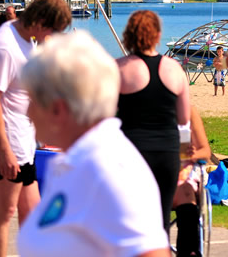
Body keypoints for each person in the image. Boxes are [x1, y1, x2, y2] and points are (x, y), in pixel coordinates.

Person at [17, 31, 169, 257]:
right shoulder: (76, 162)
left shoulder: (109, 169)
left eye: (33, 101)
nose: (27, 112)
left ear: (58, 109)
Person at [0, 0, 71, 257]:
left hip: (25, 143)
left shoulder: (20, 34)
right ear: (40, 21)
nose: (51, 36)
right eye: (51, 29)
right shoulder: (5, 47)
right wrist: (3, 149)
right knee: (3, 216)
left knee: (33, 215)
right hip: (9, 144)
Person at [116, 10, 190, 232]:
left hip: (130, 153)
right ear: (157, 35)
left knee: (128, 222)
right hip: (166, 154)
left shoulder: (118, 68)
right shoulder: (174, 69)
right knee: (160, 223)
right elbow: (184, 119)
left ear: (128, 35)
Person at [173, 106, 211, 257]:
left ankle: (190, 251)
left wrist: (193, 154)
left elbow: (205, 152)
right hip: (152, 174)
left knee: (185, 190)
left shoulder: (188, 111)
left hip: (183, 173)